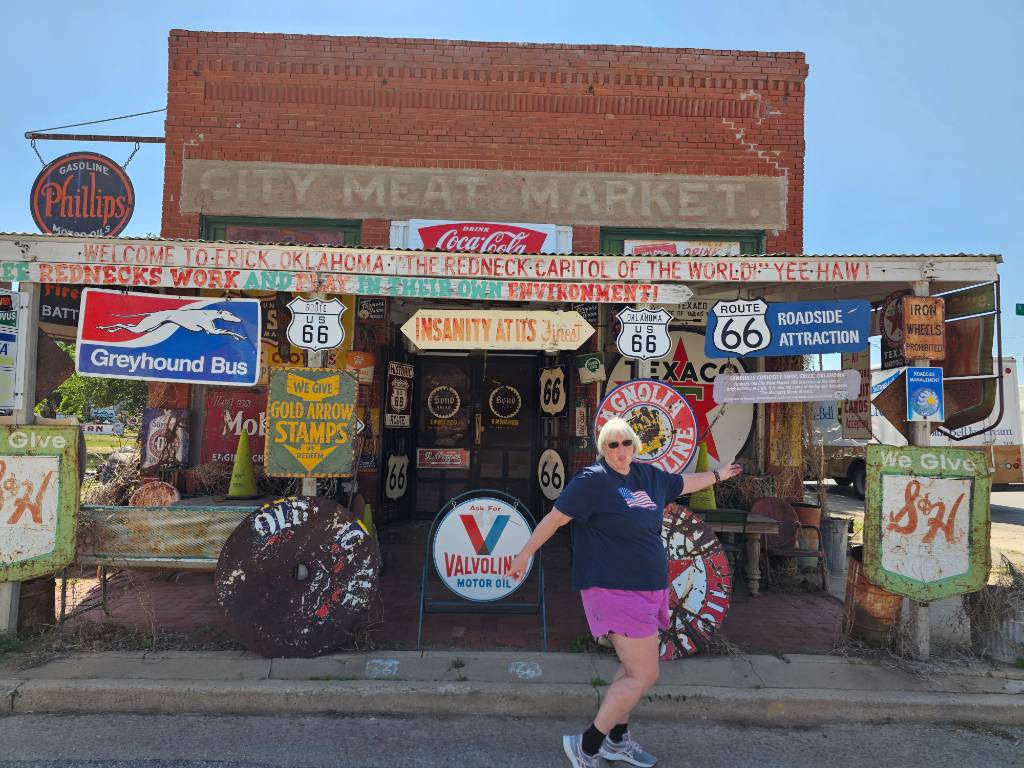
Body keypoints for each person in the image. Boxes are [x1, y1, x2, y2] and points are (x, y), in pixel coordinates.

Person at [510, 416, 742, 768]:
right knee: (645, 673)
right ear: (603, 448)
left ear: (636, 445)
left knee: (632, 668)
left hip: (649, 588)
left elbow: (683, 482)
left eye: (626, 443)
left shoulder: (648, 476)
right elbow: (556, 519)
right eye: (612, 444)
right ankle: (587, 745)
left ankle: (616, 741)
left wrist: (719, 475)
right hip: (613, 589)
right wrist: (524, 554)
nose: (620, 450)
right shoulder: (592, 481)